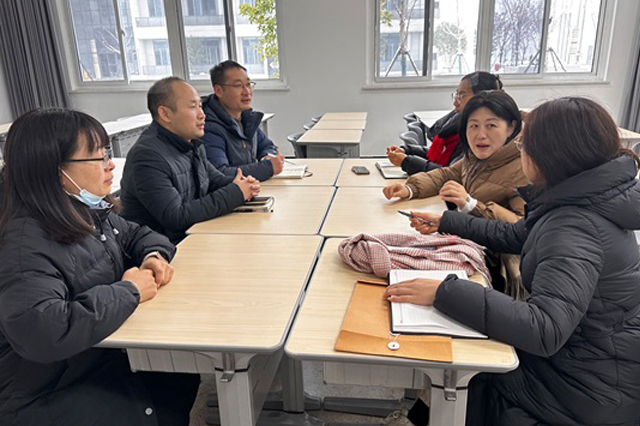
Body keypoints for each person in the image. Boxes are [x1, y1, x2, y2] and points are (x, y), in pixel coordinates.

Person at [387, 97, 640, 426]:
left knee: (467, 366)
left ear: (550, 154)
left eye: (524, 144)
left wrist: (444, 291)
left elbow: (544, 329)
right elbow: (516, 234)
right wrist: (447, 222)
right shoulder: (580, 199)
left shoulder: (574, 226)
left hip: (586, 387)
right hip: (594, 362)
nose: (521, 151)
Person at [0, 108, 199, 426]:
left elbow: (138, 234)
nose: (110, 164)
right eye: (98, 156)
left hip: (94, 359)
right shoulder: (24, 243)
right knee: (170, 390)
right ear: (55, 170)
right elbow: (44, 331)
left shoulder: (84, 210)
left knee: (181, 375)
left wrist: (152, 257)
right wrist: (129, 291)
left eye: (107, 152)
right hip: (47, 391)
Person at [120, 76, 260, 244]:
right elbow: (176, 217)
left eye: (200, 106)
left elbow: (213, 180)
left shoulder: (191, 142)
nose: (202, 115)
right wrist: (236, 192)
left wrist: (243, 184)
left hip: (193, 237)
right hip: (160, 250)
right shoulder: (147, 157)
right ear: (165, 114)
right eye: (193, 107)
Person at [383, 90, 528, 222]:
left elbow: (522, 227)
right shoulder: (476, 157)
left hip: (487, 242)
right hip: (468, 233)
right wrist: (410, 189)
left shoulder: (525, 169)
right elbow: (447, 175)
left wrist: (470, 205)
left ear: (511, 127)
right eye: (474, 126)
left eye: (491, 126)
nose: (481, 135)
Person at [387, 71, 503, 175]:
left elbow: (451, 173)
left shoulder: (478, 136)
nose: (455, 103)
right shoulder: (457, 123)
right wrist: (408, 151)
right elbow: (442, 153)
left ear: (482, 98)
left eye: (462, 96)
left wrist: (407, 162)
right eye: (456, 95)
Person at [201, 60, 285, 181]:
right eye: (238, 86)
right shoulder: (209, 127)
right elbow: (220, 174)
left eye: (248, 84)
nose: (247, 92)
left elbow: (266, 145)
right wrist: (267, 168)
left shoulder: (247, 118)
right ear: (218, 90)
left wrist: (266, 156)